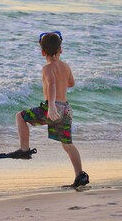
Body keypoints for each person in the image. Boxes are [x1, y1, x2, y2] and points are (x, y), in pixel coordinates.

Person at [15, 31, 89, 188]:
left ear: (42, 52)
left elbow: (51, 85)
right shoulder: (66, 66)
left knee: (20, 117)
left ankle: (24, 149)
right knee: (67, 144)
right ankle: (80, 176)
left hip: (54, 107)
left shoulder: (47, 68)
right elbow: (71, 83)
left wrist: (52, 106)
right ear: (60, 49)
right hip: (67, 110)